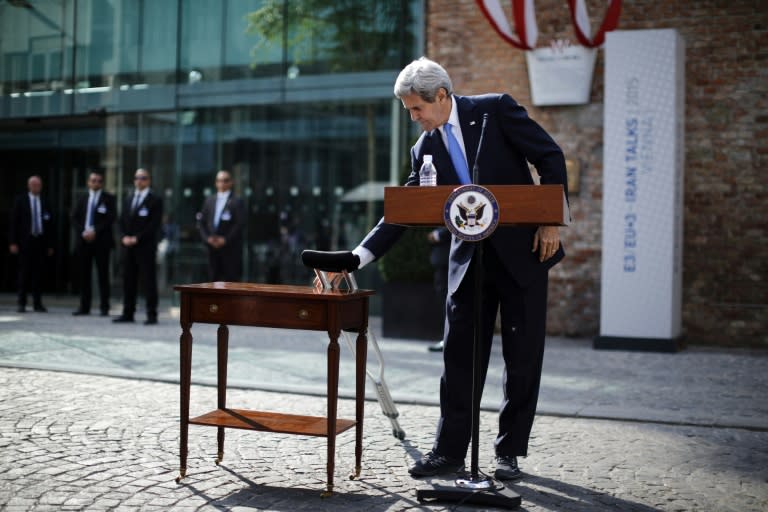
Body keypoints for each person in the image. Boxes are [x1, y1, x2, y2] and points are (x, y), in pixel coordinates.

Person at [351, 57, 568, 480]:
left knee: (522, 358)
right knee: (458, 362)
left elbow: (549, 156)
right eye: (409, 111)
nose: (414, 119)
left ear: (442, 96)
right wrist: (358, 257)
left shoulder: (496, 111)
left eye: (417, 109)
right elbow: (403, 213)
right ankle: (449, 452)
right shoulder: (423, 149)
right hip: (468, 265)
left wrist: (550, 221)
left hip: (524, 254)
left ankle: (509, 452)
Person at [114, 168, 163, 325]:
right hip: (128, 247)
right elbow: (121, 221)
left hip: (145, 247)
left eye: (143, 178)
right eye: (136, 178)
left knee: (148, 281)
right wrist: (123, 237)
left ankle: (151, 314)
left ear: (148, 180)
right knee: (128, 280)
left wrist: (137, 238)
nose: (139, 180)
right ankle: (128, 313)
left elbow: (153, 225)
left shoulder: (155, 200)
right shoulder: (129, 198)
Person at [71, 172, 116, 316]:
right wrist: (84, 232)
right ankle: (84, 307)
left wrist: (95, 231)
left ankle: (104, 307)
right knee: (84, 275)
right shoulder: (82, 198)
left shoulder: (108, 199)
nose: (96, 182)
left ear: (102, 183)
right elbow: (74, 217)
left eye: (99, 180)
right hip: (84, 242)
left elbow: (111, 218)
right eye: (93, 180)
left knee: (103, 275)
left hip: (101, 242)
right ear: (88, 182)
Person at [8, 175, 55, 313]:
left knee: (38, 274)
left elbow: (50, 224)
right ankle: (21, 303)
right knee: (24, 273)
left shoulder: (45, 201)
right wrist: (13, 242)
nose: (36, 187)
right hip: (25, 242)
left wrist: (50, 244)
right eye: (33, 185)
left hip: (40, 241)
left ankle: (37, 303)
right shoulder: (20, 200)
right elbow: (14, 222)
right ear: (29, 186)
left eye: (38, 185)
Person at [197, 170, 246, 282]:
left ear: (231, 182)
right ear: (216, 183)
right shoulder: (209, 200)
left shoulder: (237, 201)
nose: (222, 183)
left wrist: (225, 239)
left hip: (230, 250)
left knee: (231, 282)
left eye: (225, 180)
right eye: (219, 180)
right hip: (212, 249)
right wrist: (208, 239)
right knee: (213, 281)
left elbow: (239, 224)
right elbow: (201, 222)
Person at [427, 227, 450, 352]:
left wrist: (438, 234)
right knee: (445, 302)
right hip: (443, 262)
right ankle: (447, 339)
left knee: (448, 302)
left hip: (449, 262)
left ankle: (449, 340)